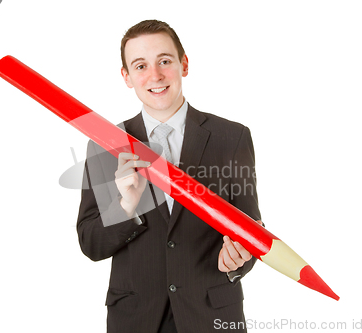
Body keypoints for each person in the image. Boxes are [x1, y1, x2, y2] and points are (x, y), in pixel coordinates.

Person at [76, 19, 263, 333]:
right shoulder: (105, 144)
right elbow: (91, 243)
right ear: (126, 77)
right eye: (140, 66)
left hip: (212, 317)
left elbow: (250, 228)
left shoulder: (231, 138)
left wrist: (240, 259)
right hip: (136, 319)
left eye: (164, 61)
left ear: (184, 64)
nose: (155, 76)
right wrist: (125, 206)